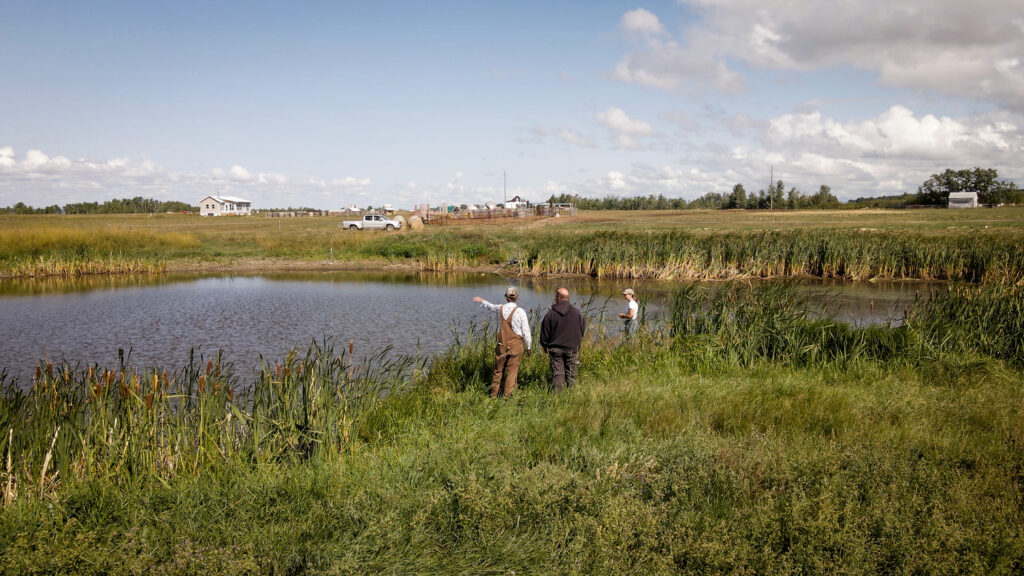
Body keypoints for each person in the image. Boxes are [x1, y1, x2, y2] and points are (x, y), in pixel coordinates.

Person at [473, 287, 532, 398]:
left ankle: (494, 394)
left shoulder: (500, 308)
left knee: (497, 370)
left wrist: (481, 300)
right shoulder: (520, 312)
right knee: (512, 372)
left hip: (501, 345)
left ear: (505, 297)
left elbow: (490, 306)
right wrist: (529, 347)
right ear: (517, 297)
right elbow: (526, 332)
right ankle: (507, 396)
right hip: (516, 345)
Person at [539, 287, 585, 392]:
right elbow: (582, 329)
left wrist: (544, 345)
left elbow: (544, 332)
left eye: (555, 296)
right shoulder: (577, 313)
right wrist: (577, 341)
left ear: (558, 298)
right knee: (571, 373)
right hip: (572, 348)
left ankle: (558, 397)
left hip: (555, 349)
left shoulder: (550, 314)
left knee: (558, 374)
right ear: (567, 298)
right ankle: (571, 396)